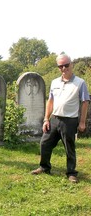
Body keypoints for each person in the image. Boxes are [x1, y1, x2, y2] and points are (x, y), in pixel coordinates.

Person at [31, 53, 90, 183]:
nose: (64, 68)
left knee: (69, 147)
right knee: (44, 143)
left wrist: (82, 122)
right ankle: (44, 167)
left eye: (66, 65)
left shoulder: (80, 83)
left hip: (70, 120)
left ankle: (71, 173)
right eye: (60, 66)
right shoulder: (54, 82)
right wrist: (46, 119)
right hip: (54, 119)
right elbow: (50, 101)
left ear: (71, 64)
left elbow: (85, 102)